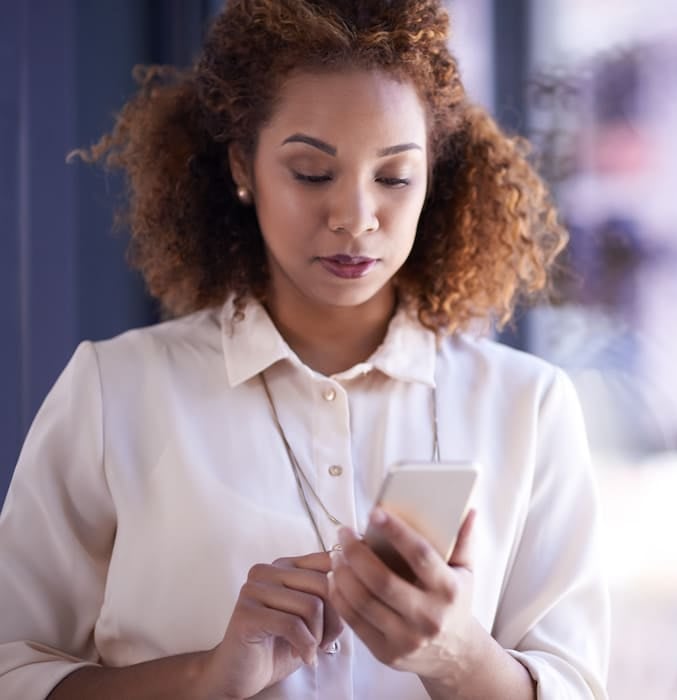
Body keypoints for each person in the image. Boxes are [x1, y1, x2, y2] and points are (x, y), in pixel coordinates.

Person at [0, 1, 609, 698]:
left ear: (432, 177)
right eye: (312, 173)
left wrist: (458, 656)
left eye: (394, 176)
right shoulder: (116, 393)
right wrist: (206, 678)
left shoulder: (528, 407)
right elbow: (12, 669)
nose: (355, 216)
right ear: (242, 169)